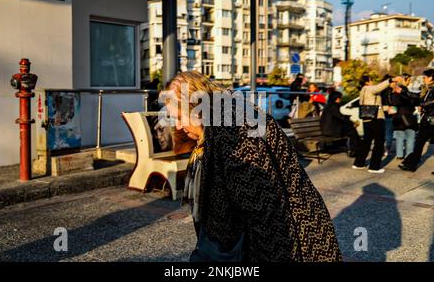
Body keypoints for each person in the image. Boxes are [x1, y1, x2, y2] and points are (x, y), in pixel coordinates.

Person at [163, 71, 341, 262]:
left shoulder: (234, 130)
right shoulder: (224, 118)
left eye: (180, 117)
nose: (179, 126)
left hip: (291, 238)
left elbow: (264, 215)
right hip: (282, 232)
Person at [353, 75, 399, 174]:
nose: (372, 81)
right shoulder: (369, 89)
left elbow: (375, 107)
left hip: (367, 119)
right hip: (376, 120)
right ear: (367, 82)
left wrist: (387, 108)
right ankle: (374, 167)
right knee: (379, 142)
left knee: (366, 141)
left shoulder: (363, 91)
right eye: (371, 80)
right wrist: (391, 80)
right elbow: (379, 87)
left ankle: (358, 163)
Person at [398, 69, 434, 172]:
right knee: (418, 144)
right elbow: (416, 97)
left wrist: (423, 105)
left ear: (431, 78)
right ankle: (411, 166)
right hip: (426, 121)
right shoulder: (425, 89)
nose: (423, 79)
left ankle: (411, 165)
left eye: (425, 77)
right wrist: (402, 91)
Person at [321, 91, 360, 157]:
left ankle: (354, 149)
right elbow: (340, 117)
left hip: (329, 129)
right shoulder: (333, 106)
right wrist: (352, 122)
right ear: (336, 98)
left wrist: (348, 119)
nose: (340, 99)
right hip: (330, 131)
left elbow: (338, 116)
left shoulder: (330, 105)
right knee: (353, 132)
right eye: (339, 98)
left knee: (351, 130)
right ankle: (354, 151)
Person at [391, 74, 418, 160]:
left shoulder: (394, 91)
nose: (410, 82)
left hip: (397, 117)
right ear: (404, 80)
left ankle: (399, 155)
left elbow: (394, 104)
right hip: (407, 116)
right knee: (410, 136)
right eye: (409, 80)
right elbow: (410, 102)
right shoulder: (404, 90)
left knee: (399, 137)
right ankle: (409, 155)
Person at [380, 74, 396, 156]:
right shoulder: (390, 91)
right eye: (393, 82)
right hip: (389, 114)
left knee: (382, 133)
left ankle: (382, 148)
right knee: (389, 132)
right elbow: (392, 104)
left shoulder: (380, 90)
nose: (395, 84)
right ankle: (387, 149)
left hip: (380, 114)